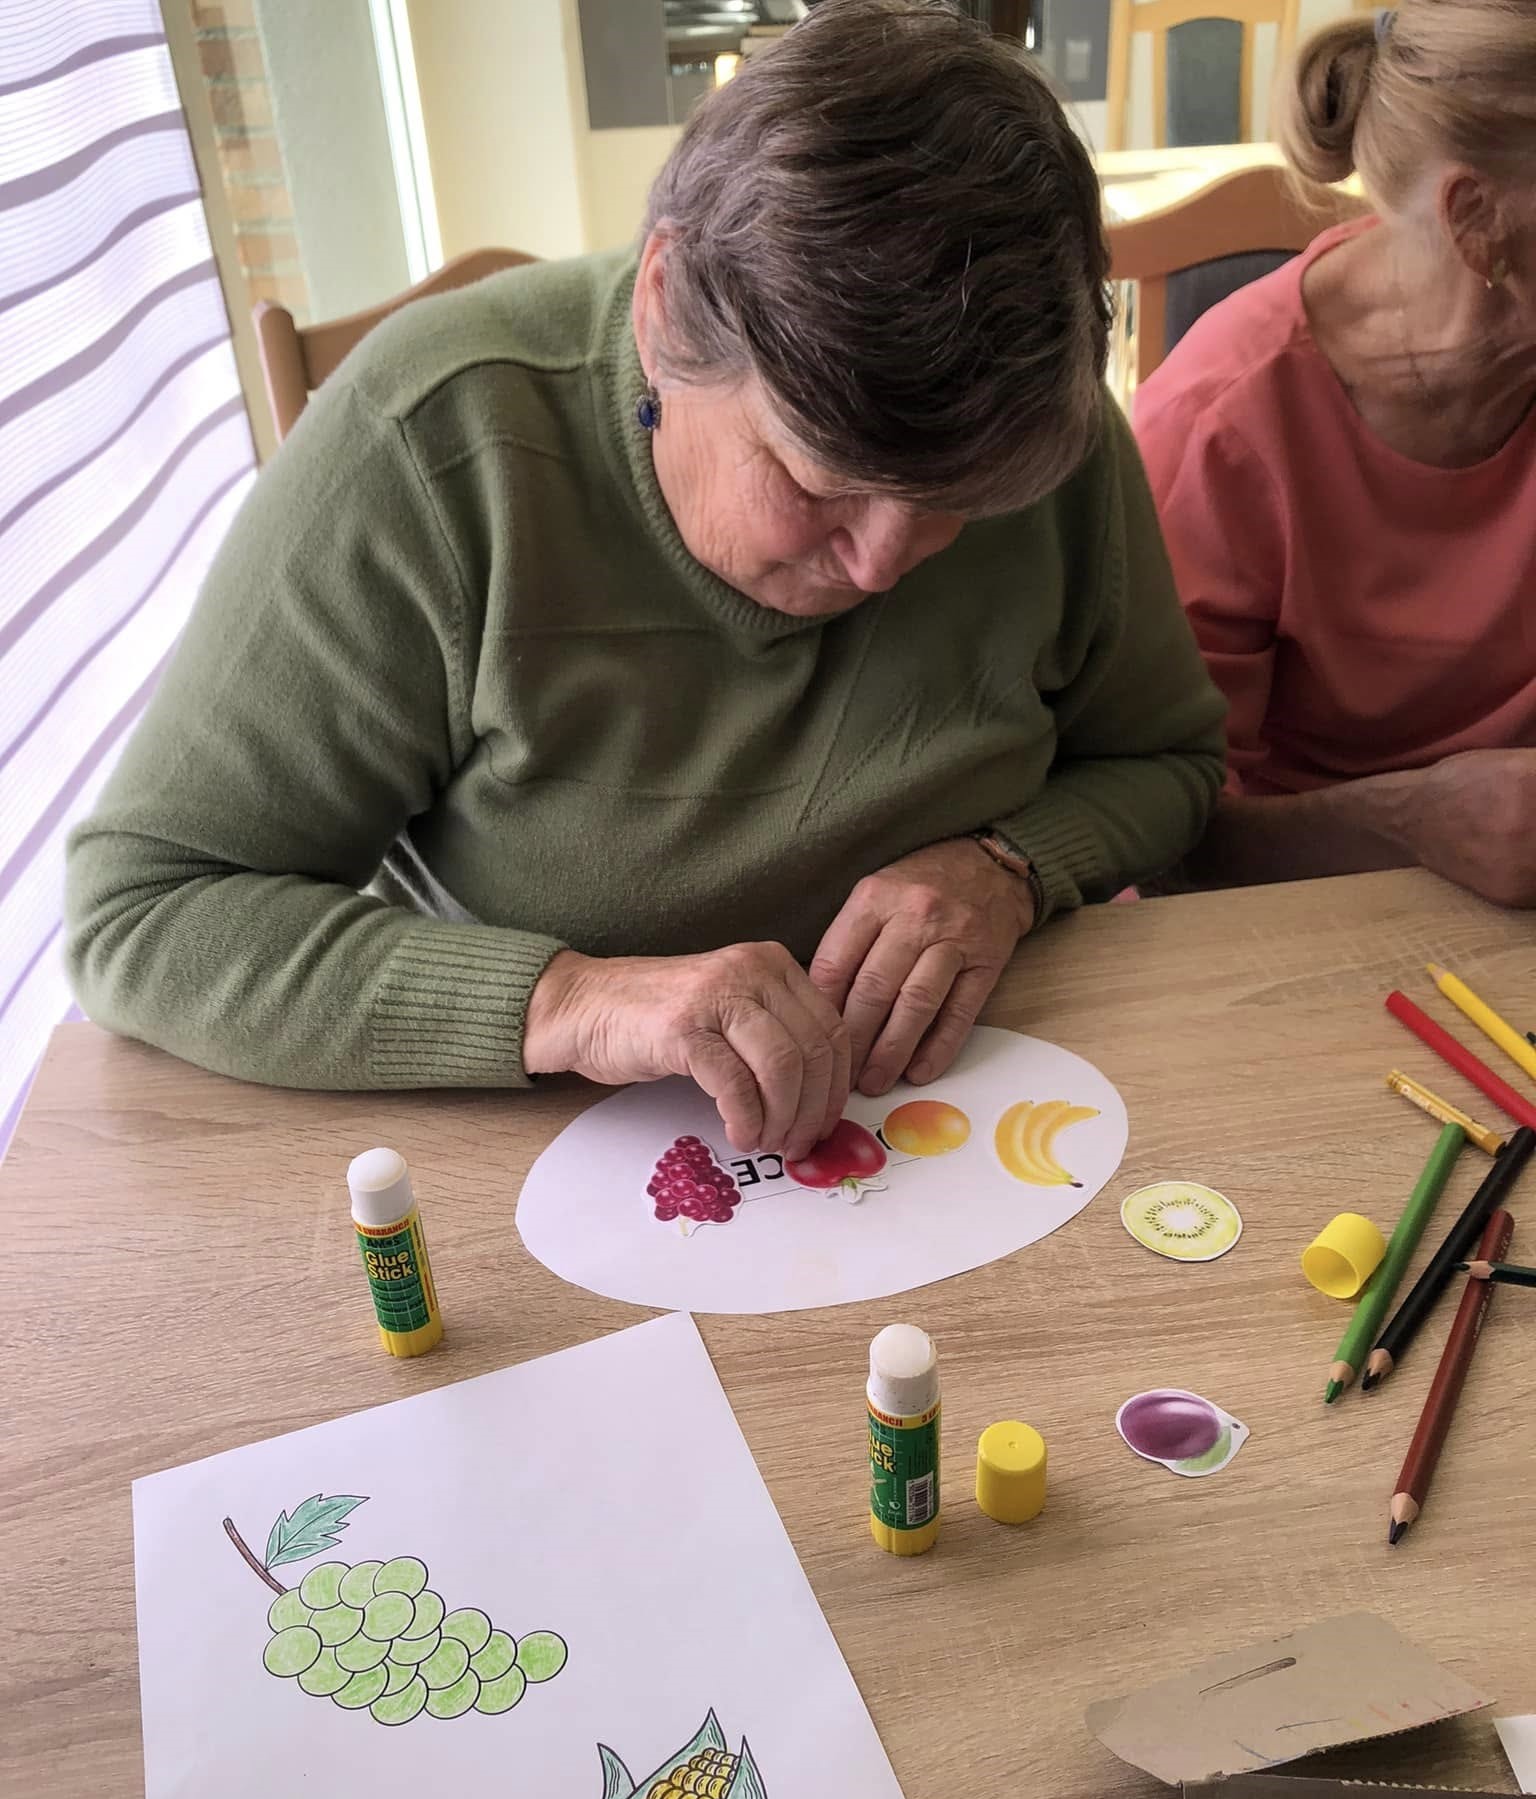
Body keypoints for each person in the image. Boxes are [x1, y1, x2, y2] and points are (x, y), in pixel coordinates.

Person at [66, 0, 1223, 1164]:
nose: (882, 563)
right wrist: (571, 999)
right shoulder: (430, 447)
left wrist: (1011, 868)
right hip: (549, 1156)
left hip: (977, 1117)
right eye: (813, 482)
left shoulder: (1032, 436)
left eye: (952, 509)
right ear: (665, 309)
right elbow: (146, 910)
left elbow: (1167, 762)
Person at [1135, 0, 1536, 909]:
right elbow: (1155, 834)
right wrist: (1412, 821)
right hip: (1294, 916)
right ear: (1477, 221)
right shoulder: (1223, 428)